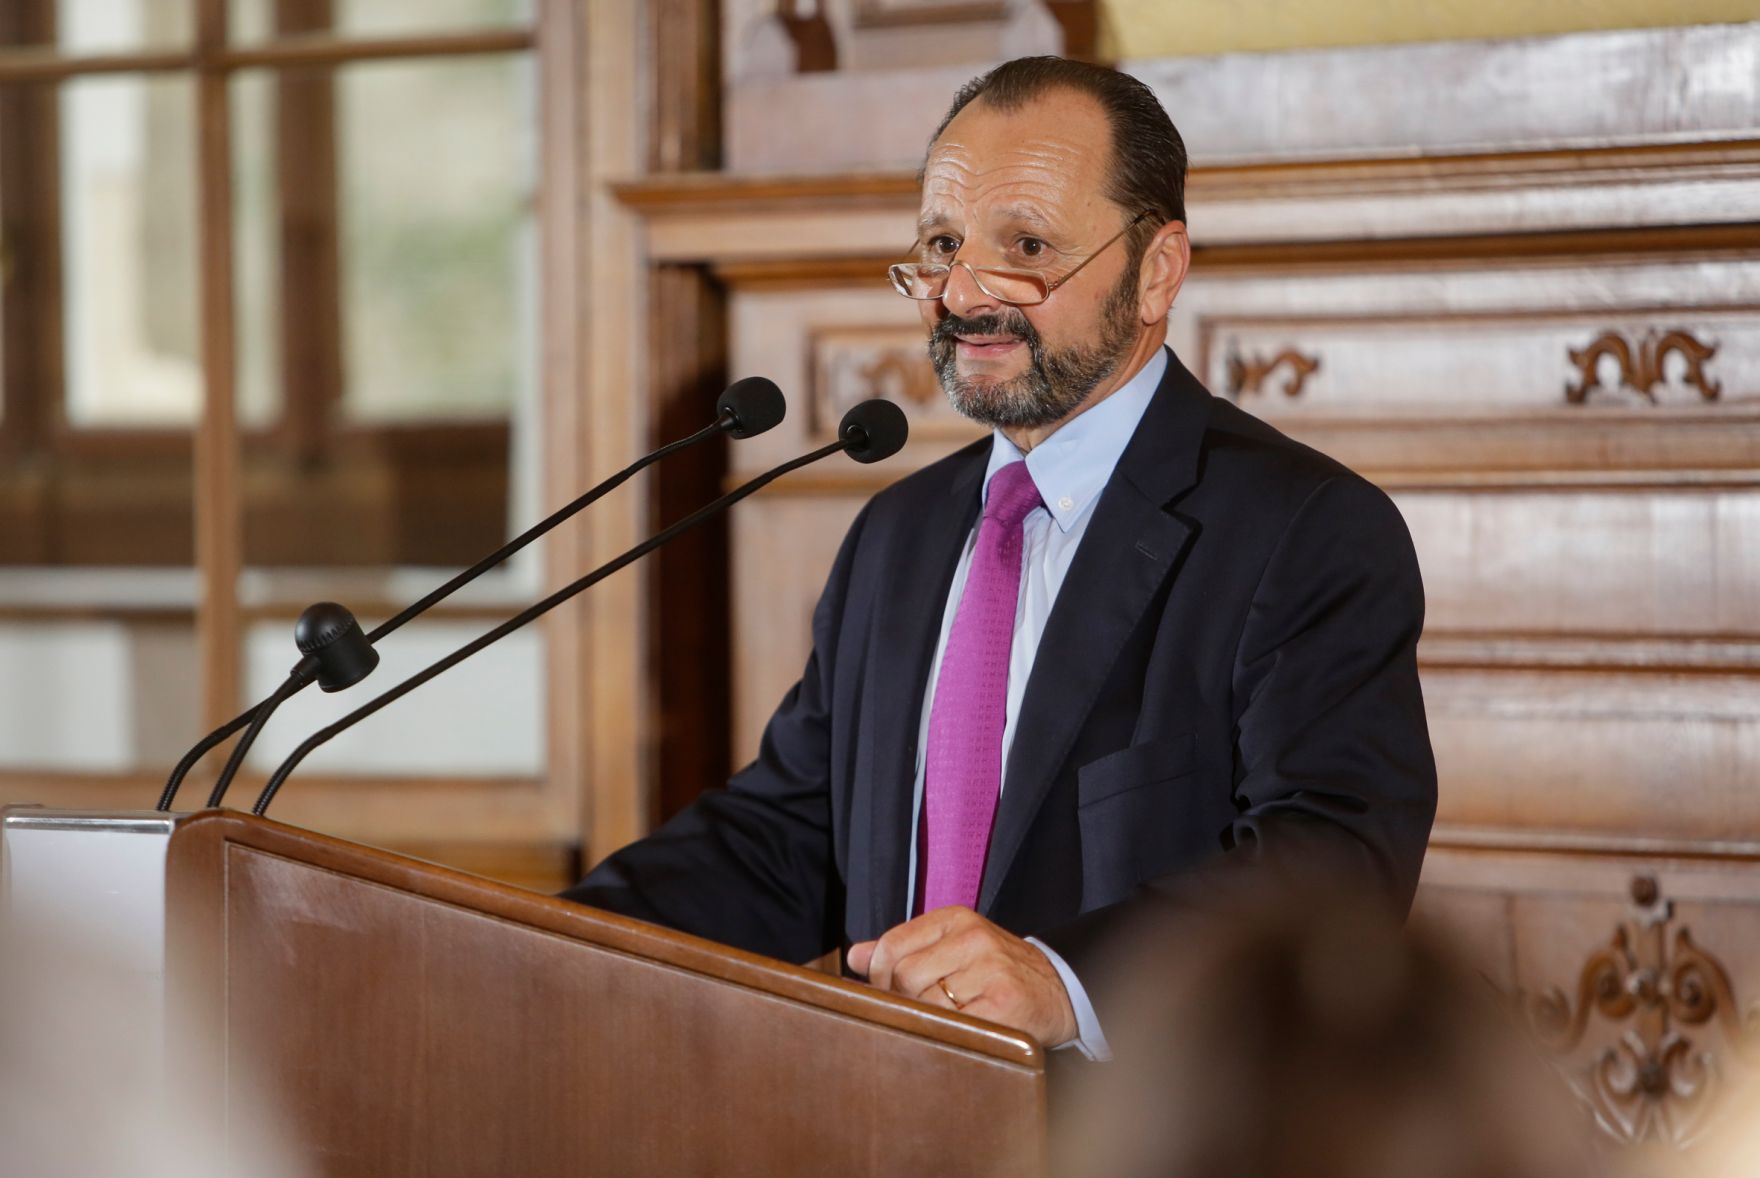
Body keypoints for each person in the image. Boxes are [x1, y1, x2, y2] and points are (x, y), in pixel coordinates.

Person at [562, 55, 1436, 1065]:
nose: (962, 294)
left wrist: (1065, 982)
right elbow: (786, 838)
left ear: (1155, 270)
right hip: (890, 1121)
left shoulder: (1304, 528)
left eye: (1024, 246)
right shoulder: (897, 536)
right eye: (940, 245)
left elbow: (1333, 864)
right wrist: (536, 939)